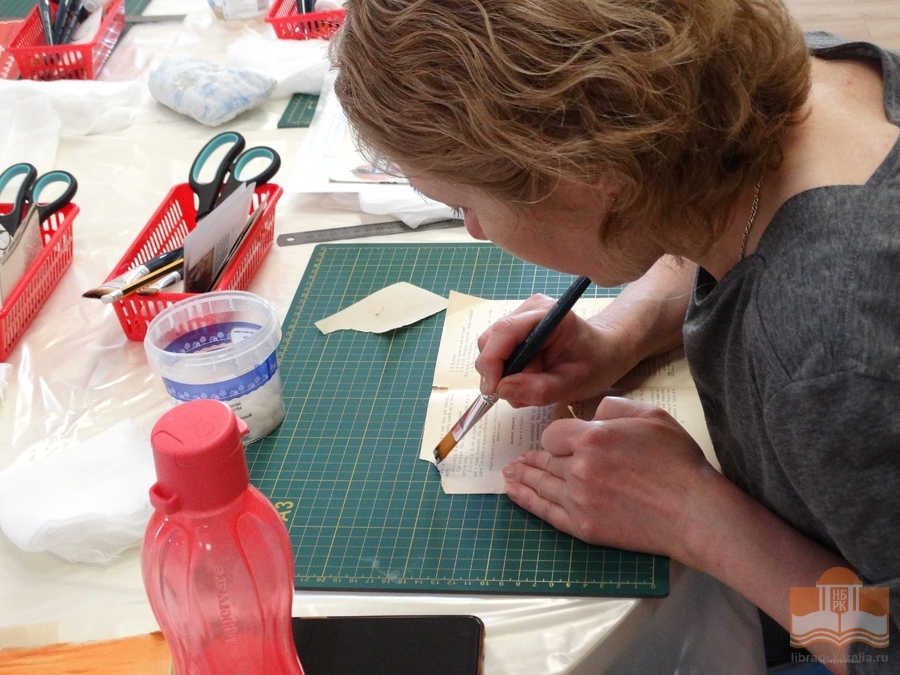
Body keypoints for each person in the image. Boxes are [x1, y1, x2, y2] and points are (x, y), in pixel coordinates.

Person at [329, 0, 900, 672]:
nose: (474, 231)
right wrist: (621, 334)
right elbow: (711, 214)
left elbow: (882, 643)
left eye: (466, 205)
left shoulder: (827, 353)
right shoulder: (799, 76)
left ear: (591, 178)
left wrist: (698, 518)